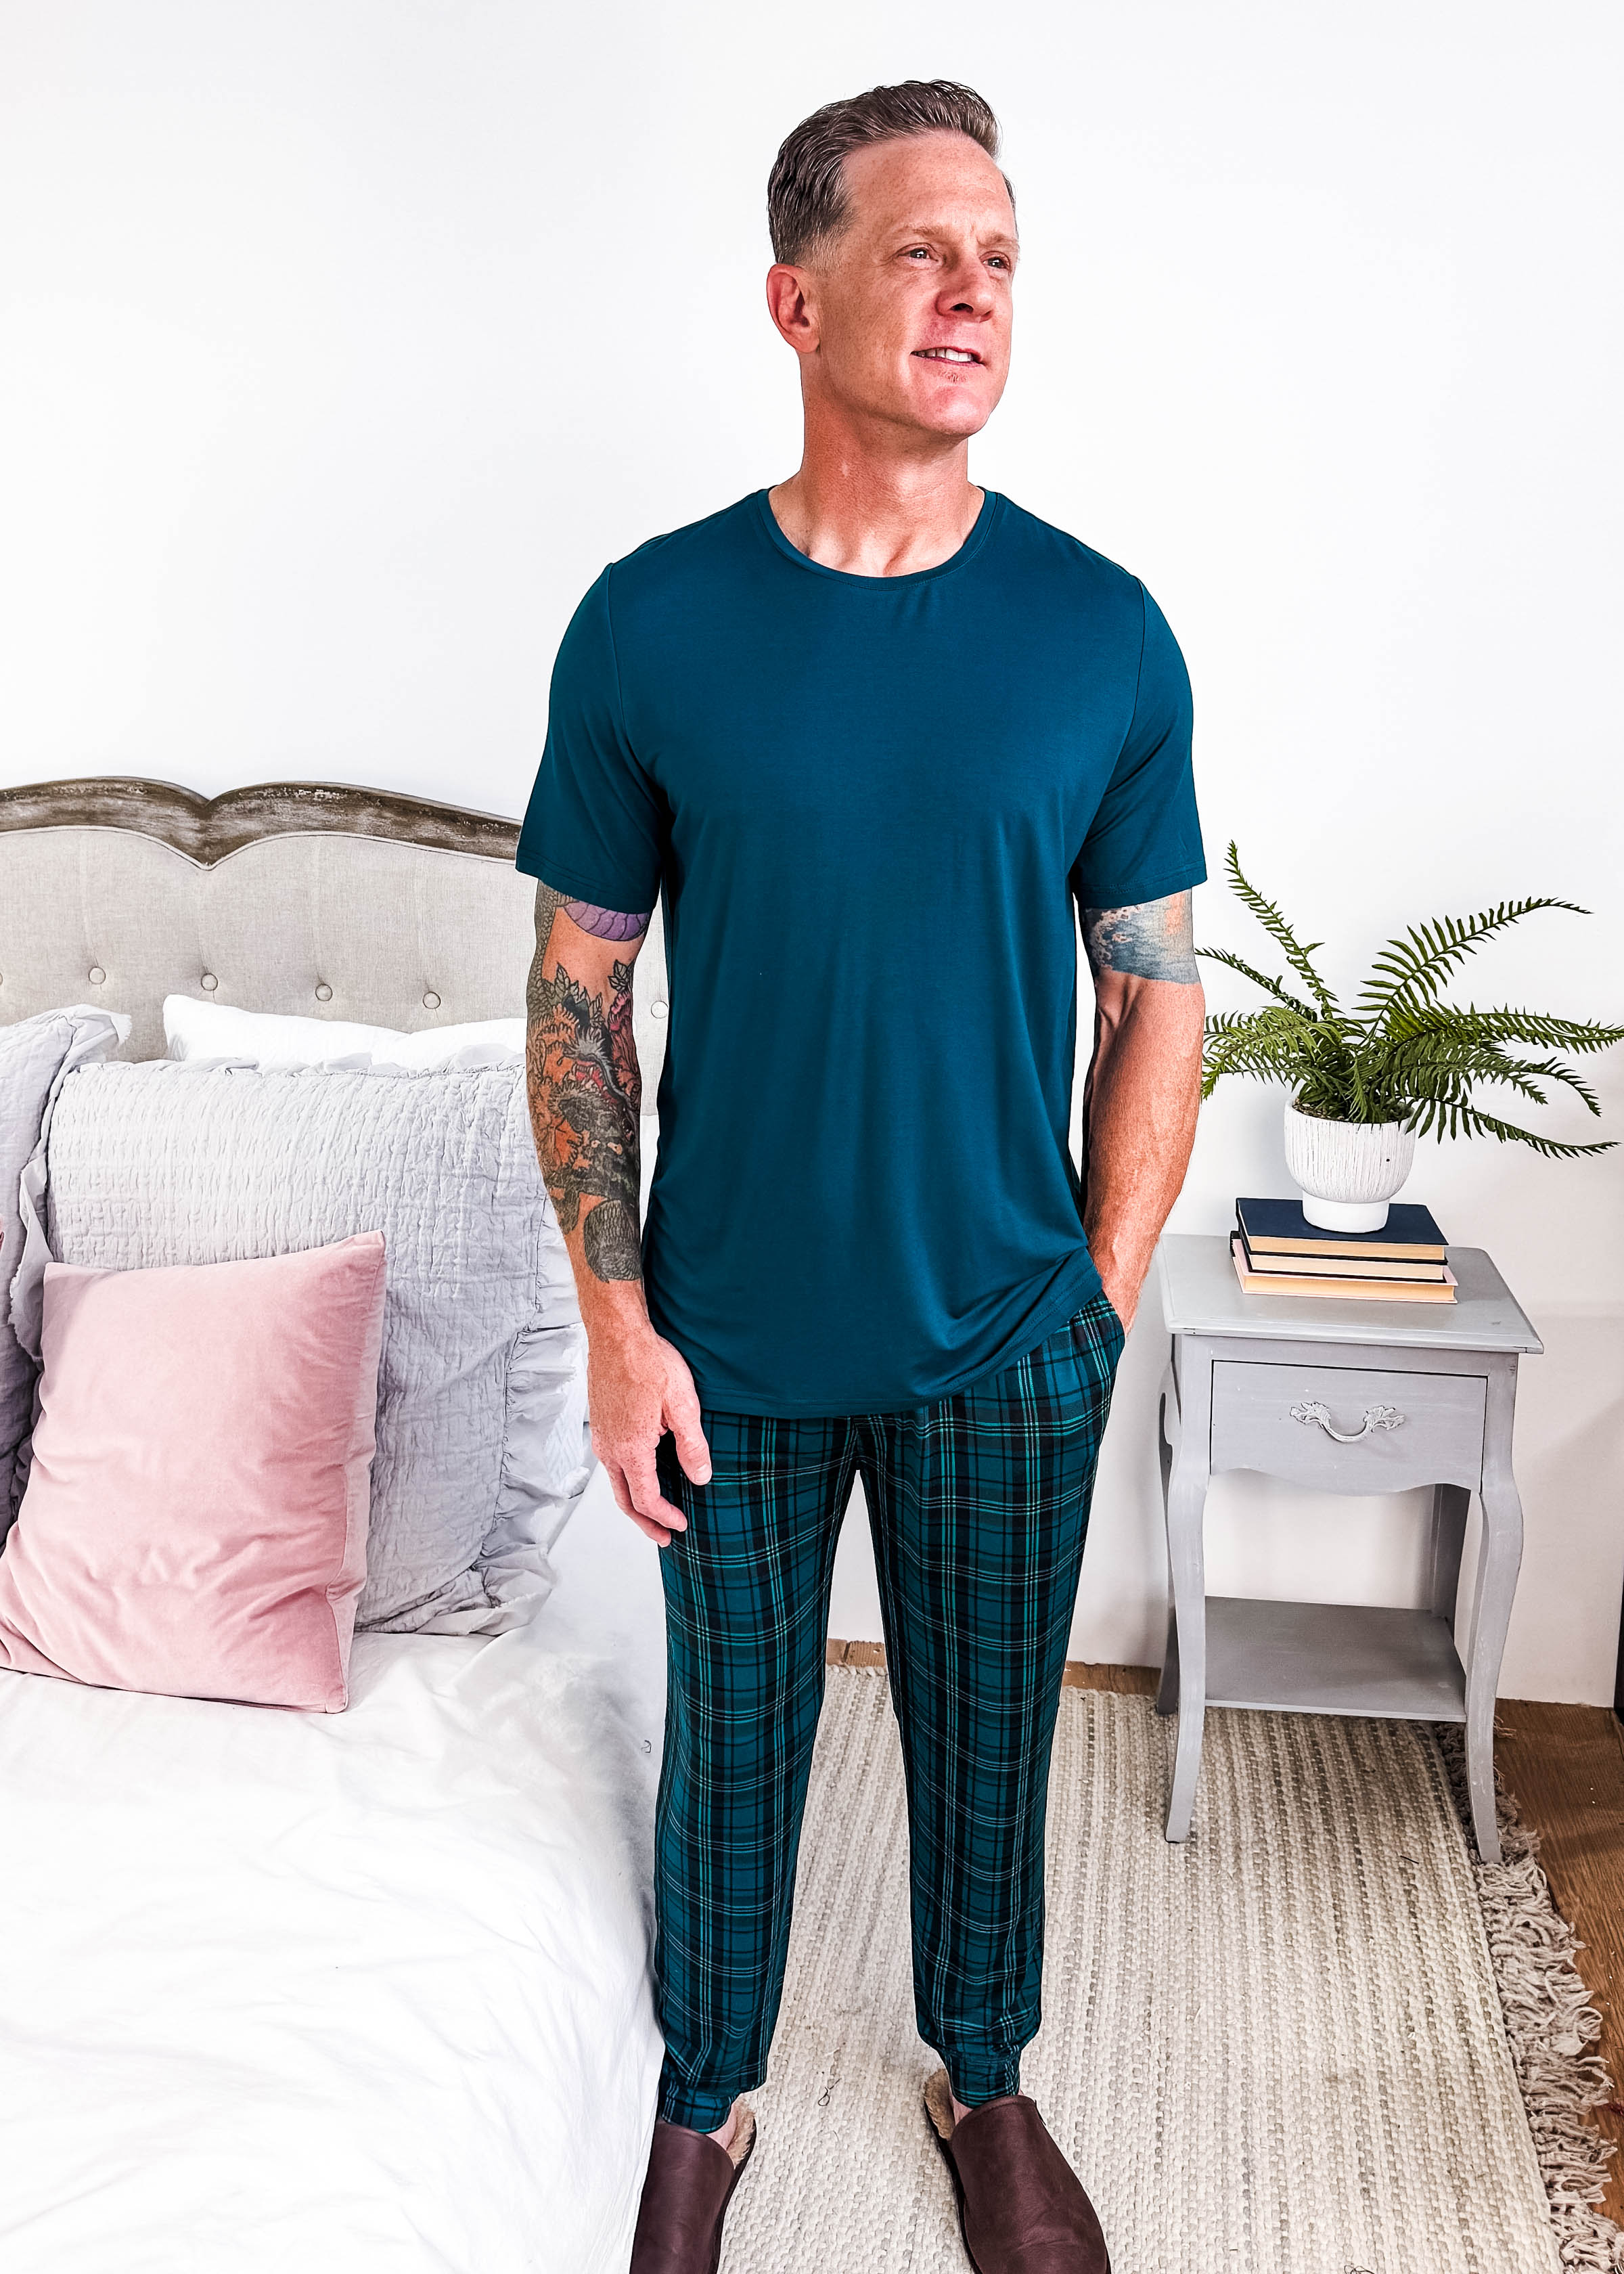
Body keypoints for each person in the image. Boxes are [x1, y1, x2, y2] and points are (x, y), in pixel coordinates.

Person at [517, 79, 1205, 2274]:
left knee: (988, 1749)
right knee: (734, 1755)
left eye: (999, 256)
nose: (972, 292)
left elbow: (1158, 991)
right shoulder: (649, 624)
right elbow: (577, 986)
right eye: (922, 250)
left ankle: (984, 2081)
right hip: (724, 1337)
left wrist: (1098, 1292)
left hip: (1007, 1333)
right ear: (795, 300)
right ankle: (704, 2099)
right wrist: (617, 1326)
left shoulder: (1102, 633)